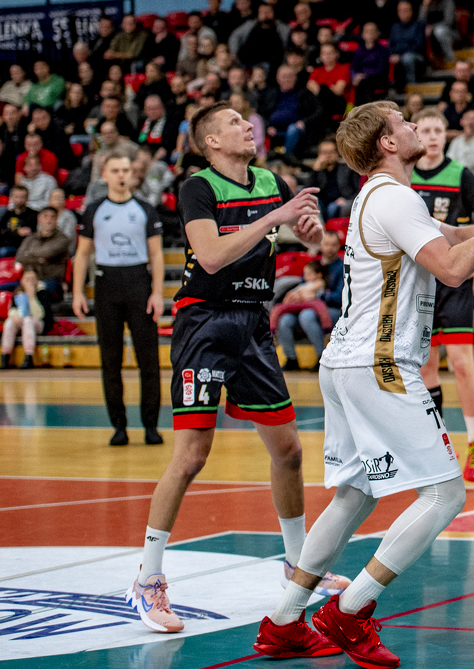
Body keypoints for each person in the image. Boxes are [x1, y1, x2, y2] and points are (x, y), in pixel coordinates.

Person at [250, 102, 474, 666]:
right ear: (386, 142)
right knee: (446, 494)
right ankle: (351, 609)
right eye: (403, 121)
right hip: (380, 363)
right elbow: (453, 268)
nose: (412, 125)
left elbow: (454, 235)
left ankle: (283, 621)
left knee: (354, 495)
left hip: (345, 361)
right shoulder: (396, 198)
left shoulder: (380, 196)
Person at [126, 102, 339, 633]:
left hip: (253, 323)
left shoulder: (271, 181)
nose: (248, 126)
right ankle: (147, 580)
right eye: (236, 123)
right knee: (191, 456)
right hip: (204, 323)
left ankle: (297, 566)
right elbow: (212, 256)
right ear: (212, 142)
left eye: (248, 120)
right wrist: (275, 219)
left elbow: (307, 237)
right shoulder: (197, 188)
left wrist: (309, 231)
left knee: (289, 451)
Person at [411, 108, 474, 482]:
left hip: (454, 279)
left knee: (460, 361)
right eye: (425, 130)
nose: (431, 136)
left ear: (446, 136)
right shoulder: (404, 177)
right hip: (418, 280)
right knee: (425, 365)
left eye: (437, 130)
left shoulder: (460, 174)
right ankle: (438, 444)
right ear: (416, 135)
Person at [74, 154, 165, 445]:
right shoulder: (94, 210)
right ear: (105, 175)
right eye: (115, 170)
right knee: (110, 362)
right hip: (106, 285)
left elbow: (157, 255)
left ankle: (151, 426)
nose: (121, 175)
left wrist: (157, 293)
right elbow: (82, 254)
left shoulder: (145, 210)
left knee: (148, 362)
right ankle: (119, 426)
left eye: (125, 170)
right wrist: (77, 292)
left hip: (139, 283)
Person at [274, 261, 330, 371]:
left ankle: (321, 356)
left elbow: (312, 290)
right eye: (305, 274)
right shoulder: (303, 284)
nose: (306, 276)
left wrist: (300, 293)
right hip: (298, 309)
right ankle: (291, 358)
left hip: (313, 310)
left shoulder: (318, 283)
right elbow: (290, 295)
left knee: (306, 317)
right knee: (284, 320)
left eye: (309, 274)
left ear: (318, 275)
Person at [14, 205, 71, 302]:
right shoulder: (30, 238)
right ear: (39, 218)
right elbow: (19, 257)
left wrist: (29, 253)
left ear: (56, 220)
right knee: (1, 289)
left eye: (52, 217)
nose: (49, 220)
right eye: (45, 216)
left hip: (52, 279)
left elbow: (48, 253)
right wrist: (39, 259)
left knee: (38, 291)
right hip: (30, 278)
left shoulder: (62, 239)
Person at [1, 268, 46, 370]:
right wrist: (15, 316)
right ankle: (5, 355)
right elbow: (12, 310)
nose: (30, 282)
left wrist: (32, 297)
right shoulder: (18, 293)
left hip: (38, 324)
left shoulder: (42, 293)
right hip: (22, 322)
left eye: (32, 279)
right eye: (27, 279)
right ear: (22, 280)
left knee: (28, 321)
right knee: (9, 322)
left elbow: (40, 315)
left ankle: (29, 357)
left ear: (37, 280)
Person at [387, 0, 429, 86]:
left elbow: (418, 46)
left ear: (411, 12)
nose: (403, 13)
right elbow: (391, 45)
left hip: (417, 56)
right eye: (400, 10)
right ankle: (392, 87)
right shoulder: (394, 27)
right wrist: (395, 55)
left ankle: (412, 85)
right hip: (399, 56)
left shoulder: (419, 25)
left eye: (405, 10)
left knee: (407, 57)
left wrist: (401, 56)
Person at [446, 108, 474, 179]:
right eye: (467, 118)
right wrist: (471, 167)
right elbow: (449, 163)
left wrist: (457, 165)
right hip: (456, 177)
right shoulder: (456, 141)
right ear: (461, 121)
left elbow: (472, 161)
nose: (470, 122)